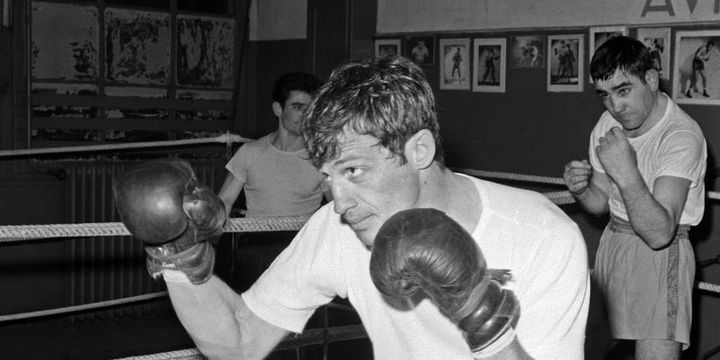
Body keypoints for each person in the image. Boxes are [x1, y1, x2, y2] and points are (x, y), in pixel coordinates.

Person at [115, 56, 590, 360]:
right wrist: (177, 256)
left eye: (354, 171)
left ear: (418, 151)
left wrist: (480, 314)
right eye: (327, 176)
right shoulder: (339, 228)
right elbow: (239, 342)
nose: (338, 201)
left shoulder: (541, 234)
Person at [563, 36, 707, 360]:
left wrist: (627, 172)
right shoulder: (607, 124)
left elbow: (659, 233)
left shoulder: (681, 136)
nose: (615, 106)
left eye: (623, 90)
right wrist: (583, 188)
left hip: (662, 255)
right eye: (605, 95)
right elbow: (600, 203)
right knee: (589, 350)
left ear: (651, 79)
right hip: (615, 242)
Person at [217, 72, 327, 289]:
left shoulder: (323, 158)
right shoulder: (250, 153)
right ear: (278, 109)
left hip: (302, 247)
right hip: (256, 248)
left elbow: (338, 207)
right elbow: (223, 203)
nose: (306, 115)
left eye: (311, 109)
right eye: (297, 107)